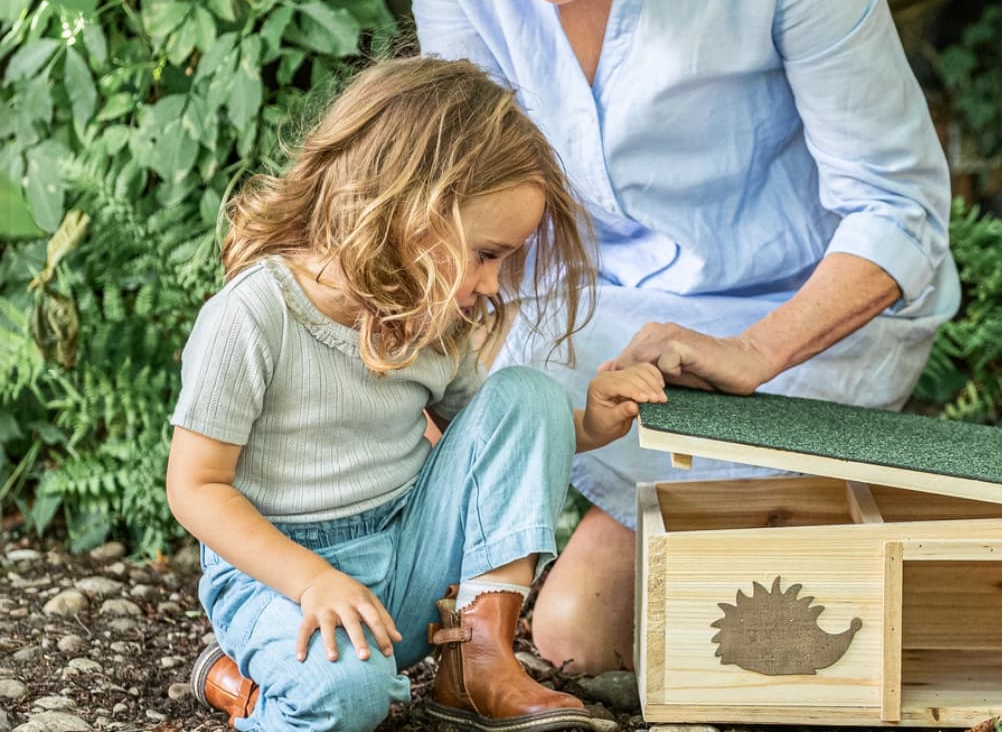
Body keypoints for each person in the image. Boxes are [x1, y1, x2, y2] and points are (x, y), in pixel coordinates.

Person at [363, 0, 960, 673]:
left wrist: (753, 355)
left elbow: (898, 211)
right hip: (594, 314)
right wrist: (445, 367)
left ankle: (830, 500)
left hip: (797, 322)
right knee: (427, 452)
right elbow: (474, 184)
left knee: (572, 631)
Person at [167, 56, 665, 732]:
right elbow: (195, 488)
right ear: (409, 210)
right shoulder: (256, 316)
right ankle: (251, 692)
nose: (494, 285)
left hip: (403, 563)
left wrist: (593, 424)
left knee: (528, 393)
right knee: (352, 697)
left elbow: (495, 441)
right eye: (488, 253)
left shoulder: (432, 319)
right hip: (278, 580)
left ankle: (477, 665)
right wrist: (312, 580)